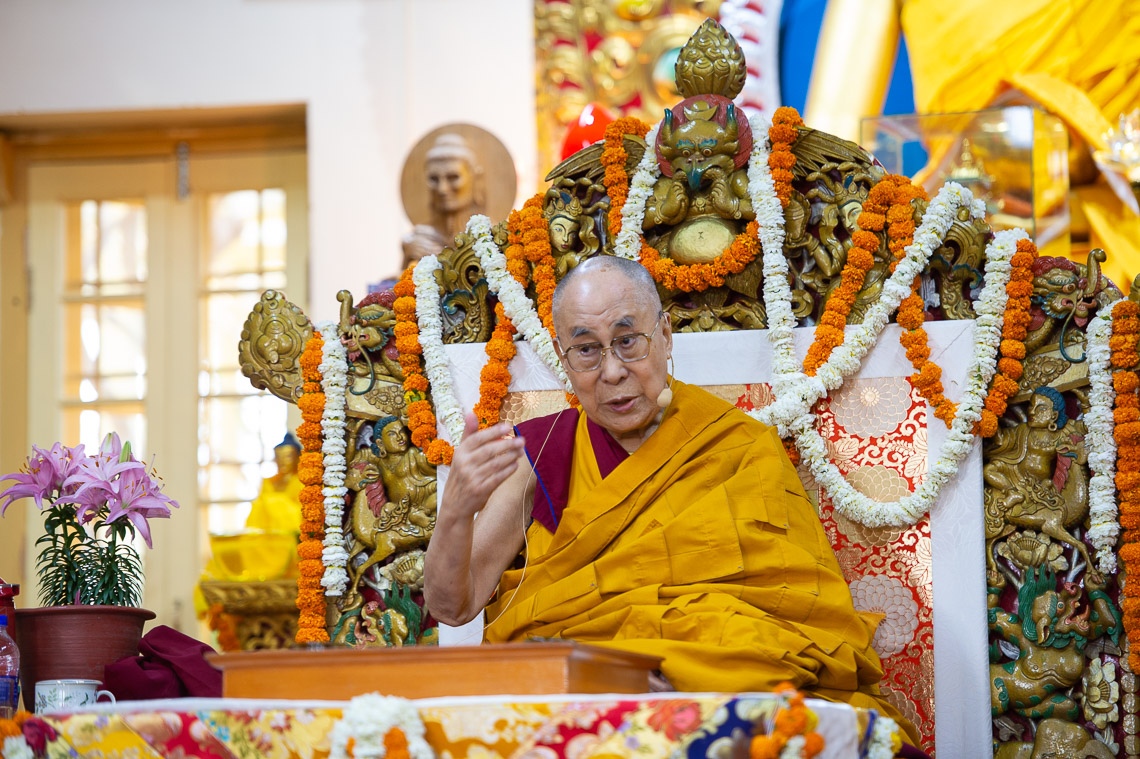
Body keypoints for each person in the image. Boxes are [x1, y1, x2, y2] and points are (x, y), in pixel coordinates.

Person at [423, 256, 917, 743]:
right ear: (563, 357)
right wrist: (459, 508)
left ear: (664, 335)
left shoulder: (740, 447)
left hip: (714, 686)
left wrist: (683, 678)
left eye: (627, 341)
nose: (612, 371)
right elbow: (453, 605)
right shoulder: (540, 452)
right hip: (582, 691)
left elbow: (796, 617)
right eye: (587, 350)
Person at [401, 133, 486, 270]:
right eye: (434, 179)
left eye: (453, 177)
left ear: (475, 179)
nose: (442, 189)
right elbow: (398, 285)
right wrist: (407, 259)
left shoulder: (492, 237)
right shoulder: (419, 238)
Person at [245, 433, 303, 535]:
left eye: (288, 456)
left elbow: (300, 512)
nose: (283, 461)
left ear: (298, 457)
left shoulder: (301, 482)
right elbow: (258, 509)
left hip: (292, 532)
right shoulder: (269, 482)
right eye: (278, 457)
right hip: (266, 532)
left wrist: (277, 503)